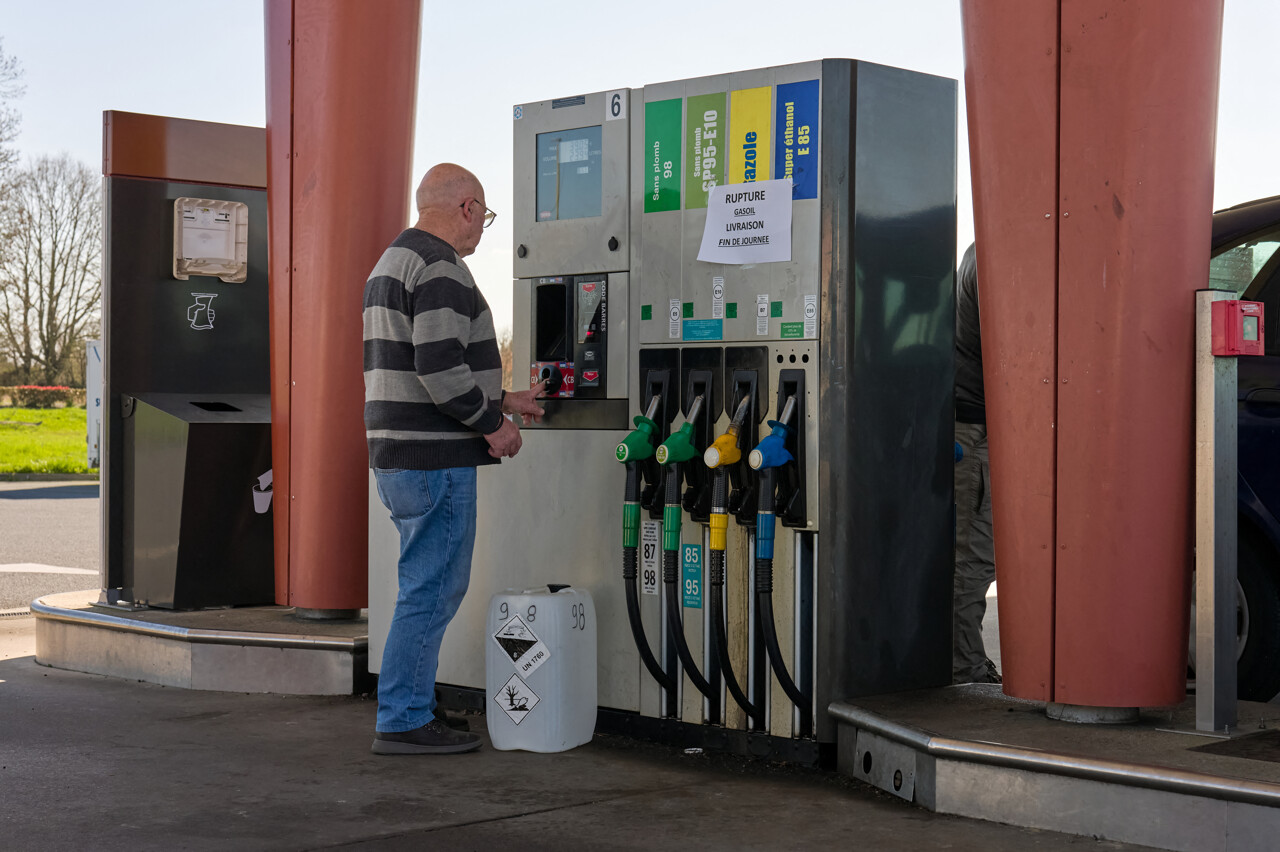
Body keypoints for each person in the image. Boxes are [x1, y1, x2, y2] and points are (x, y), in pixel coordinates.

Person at [363, 163, 545, 754]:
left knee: (422, 583)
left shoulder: (393, 260)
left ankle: (411, 699)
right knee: (433, 587)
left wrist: (505, 397)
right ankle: (405, 719)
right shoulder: (441, 265)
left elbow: (425, 365)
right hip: (432, 456)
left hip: (399, 454)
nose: (484, 229)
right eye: (485, 216)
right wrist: (495, 425)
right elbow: (440, 371)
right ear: (465, 207)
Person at [953, 242, 1000, 685]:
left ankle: (963, 662)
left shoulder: (985, 250)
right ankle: (962, 670)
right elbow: (1013, 345)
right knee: (972, 555)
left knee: (973, 554)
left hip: (976, 425)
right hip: (974, 429)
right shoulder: (995, 257)